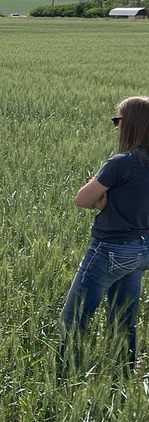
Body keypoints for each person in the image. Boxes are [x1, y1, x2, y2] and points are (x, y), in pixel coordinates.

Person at [59, 97, 149, 373]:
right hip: (141, 250)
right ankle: (123, 374)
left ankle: (64, 377)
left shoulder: (121, 162)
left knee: (73, 317)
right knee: (124, 316)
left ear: (130, 124)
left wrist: (102, 199)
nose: (116, 127)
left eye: (117, 121)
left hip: (110, 249)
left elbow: (82, 199)